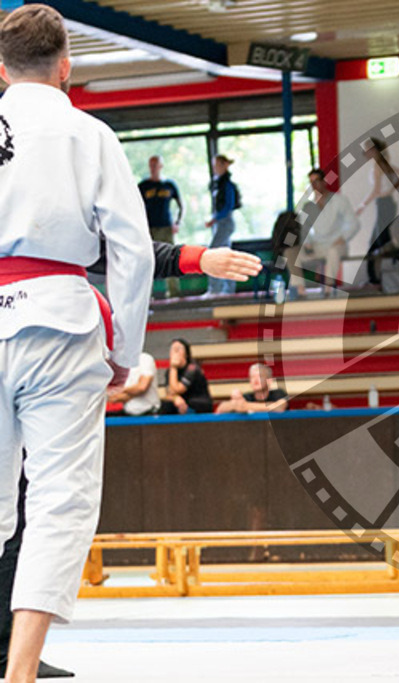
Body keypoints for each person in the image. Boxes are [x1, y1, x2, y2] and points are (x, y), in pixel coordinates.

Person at [0, 238, 260, 679]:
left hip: (41, 337)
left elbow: (120, 246)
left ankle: (11, 650)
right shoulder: (53, 195)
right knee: (50, 510)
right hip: (50, 337)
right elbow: (125, 247)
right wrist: (122, 360)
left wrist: (194, 257)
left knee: (23, 515)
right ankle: (14, 660)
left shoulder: (42, 206)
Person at [0, 6, 155, 682]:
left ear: (0, 69)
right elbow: (133, 251)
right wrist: (124, 347)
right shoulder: (88, 132)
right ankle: (20, 669)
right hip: (59, 323)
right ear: (67, 66)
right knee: (60, 499)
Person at [292, 168, 358, 297]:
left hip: (337, 244)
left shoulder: (339, 201)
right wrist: (307, 243)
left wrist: (343, 237)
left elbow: (353, 223)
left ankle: (328, 288)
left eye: (316, 181)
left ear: (324, 182)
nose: (314, 185)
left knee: (333, 251)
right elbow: (304, 229)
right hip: (318, 245)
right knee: (293, 254)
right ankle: (300, 289)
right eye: (311, 182)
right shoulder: (308, 206)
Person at [357, 138, 399, 286]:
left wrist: (362, 205)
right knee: (379, 242)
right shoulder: (383, 165)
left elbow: (376, 191)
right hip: (386, 204)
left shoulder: (378, 167)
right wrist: (390, 191)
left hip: (384, 204)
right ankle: (376, 278)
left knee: (379, 242)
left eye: (368, 149)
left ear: (374, 150)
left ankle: (375, 279)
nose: (365, 153)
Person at [204, 154, 241, 296]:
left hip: (225, 222)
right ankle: (228, 289)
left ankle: (215, 289)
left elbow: (228, 206)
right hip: (220, 223)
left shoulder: (227, 185)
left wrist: (214, 218)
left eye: (217, 166)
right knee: (225, 255)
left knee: (213, 253)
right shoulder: (217, 184)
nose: (215, 169)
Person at [158, 339, 213, 415]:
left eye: (178, 349)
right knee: (165, 405)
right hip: (182, 403)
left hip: (198, 403)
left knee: (189, 403)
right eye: (173, 349)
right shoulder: (169, 371)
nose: (175, 352)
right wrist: (175, 398)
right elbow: (169, 393)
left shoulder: (192, 368)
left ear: (186, 354)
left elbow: (176, 390)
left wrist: (173, 367)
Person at [138, 155, 183, 246]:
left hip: (166, 226)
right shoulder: (143, 186)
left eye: (155, 165)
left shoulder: (169, 185)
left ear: (161, 166)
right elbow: (135, 207)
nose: (153, 168)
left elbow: (181, 206)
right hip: (149, 227)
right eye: (151, 165)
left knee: (169, 253)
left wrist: (177, 222)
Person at [216, 363, 288, 414]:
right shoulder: (246, 397)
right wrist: (234, 402)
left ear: (269, 381)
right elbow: (220, 409)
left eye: (259, 376)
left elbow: (279, 407)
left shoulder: (278, 393)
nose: (255, 380)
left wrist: (245, 406)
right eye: (252, 377)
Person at [106, 352, 160, 416]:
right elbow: (113, 397)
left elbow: (142, 387)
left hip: (148, 412)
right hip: (128, 413)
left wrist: (118, 389)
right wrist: (132, 391)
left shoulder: (145, 359)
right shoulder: (120, 364)